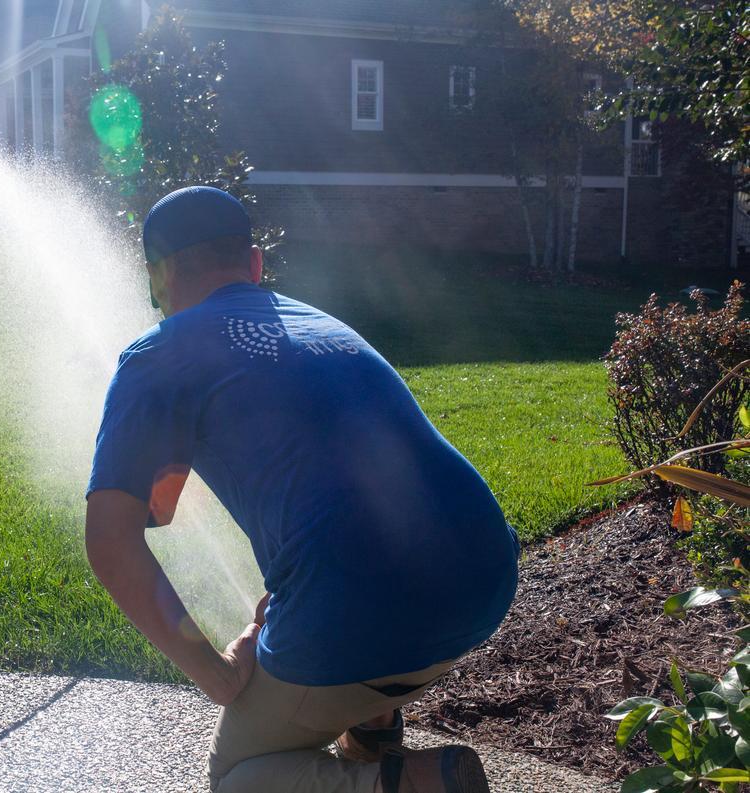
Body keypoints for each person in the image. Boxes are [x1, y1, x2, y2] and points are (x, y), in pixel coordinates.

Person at [84, 186, 519, 793]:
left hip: (364, 613)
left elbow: (110, 541)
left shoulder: (158, 355)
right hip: (484, 578)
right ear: (256, 264)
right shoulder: (319, 323)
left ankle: (414, 784)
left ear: (159, 277)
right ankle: (373, 730)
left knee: (238, 777)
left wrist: (216, 673)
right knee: (344, 602)